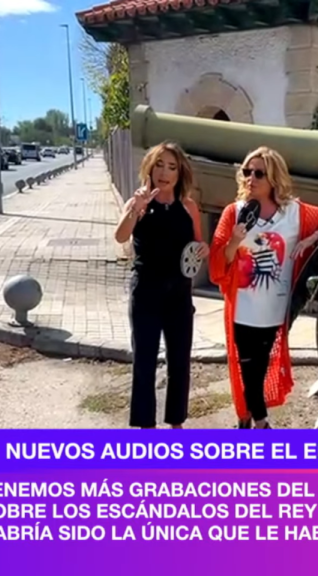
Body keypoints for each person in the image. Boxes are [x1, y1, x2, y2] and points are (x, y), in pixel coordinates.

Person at [209, 146, 318, 429]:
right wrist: (234, 242)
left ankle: (246, 419)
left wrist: (312, 239)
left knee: (257, 369)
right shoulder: (233, 213)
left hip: (275, 311)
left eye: (259, 173)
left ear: (274, 178)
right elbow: (217, 266)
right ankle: (260, 423)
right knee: (248, 369)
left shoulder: (295, 213)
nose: (251, 178)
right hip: (243, 311)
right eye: (247, 171)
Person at [114, 141, 208, 429]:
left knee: (180, 361)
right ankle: (145, 426)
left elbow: (197, 243)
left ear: (180, 174)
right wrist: (136, 210)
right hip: (146, 292)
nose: (164, 173)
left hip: (179, 294)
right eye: (159, 165)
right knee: (144, 360)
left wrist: (203, 248)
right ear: (150, 168)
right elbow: (120, 237)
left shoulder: (188, 206)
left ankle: (176, 423)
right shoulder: (138, 203)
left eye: (172, 167)